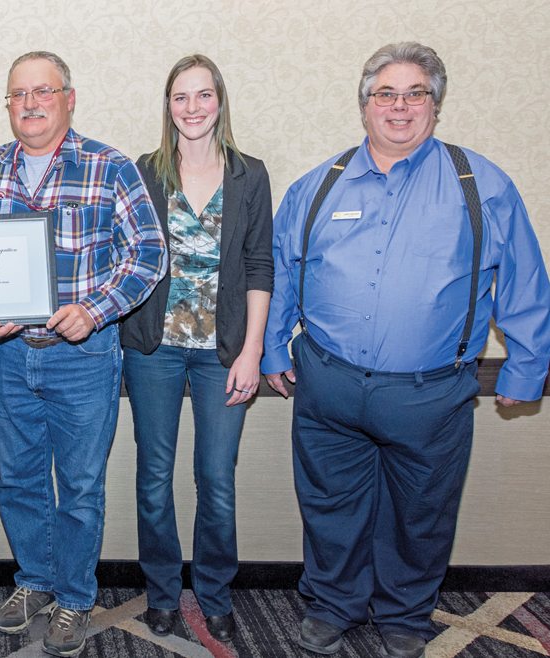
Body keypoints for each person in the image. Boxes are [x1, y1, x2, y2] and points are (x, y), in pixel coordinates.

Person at [261, 42, 550, 658]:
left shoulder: (483, 186)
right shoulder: (317, 186)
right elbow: (283, 271)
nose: (399, 106)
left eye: (415, 93)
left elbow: (524, 281)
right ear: (364, 104)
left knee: (420, 514)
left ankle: (404, 614)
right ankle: (334, 604)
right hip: (328, 383)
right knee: (329, 507)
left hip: (432, 394)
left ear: (435, 105)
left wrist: (526, 367)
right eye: (385, 93)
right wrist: (272, 348)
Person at [0, 50, 167, 657]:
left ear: (68, 98)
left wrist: (95, 309)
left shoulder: (108, 166)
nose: (30, 103)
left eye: (42, 91)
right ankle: (34, 582)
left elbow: (149, 252)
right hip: (9, 354)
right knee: (18, 480)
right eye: (18, 94)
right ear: (8, 104)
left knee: (78, 486)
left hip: (83, 355)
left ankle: (76, 597)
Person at [120, 54, 273, 643]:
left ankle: (213, 593)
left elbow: (261, 266)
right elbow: (128, 255)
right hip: (154, 349)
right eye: (180, 97)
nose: (191, 108)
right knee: (154, 477)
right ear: (168, 106)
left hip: (223, 353)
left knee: (217, 477)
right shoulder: (146, 171)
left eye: (202, 95)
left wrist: (253, 351)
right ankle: (161, 591)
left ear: (219, 101)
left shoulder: (249, 174)